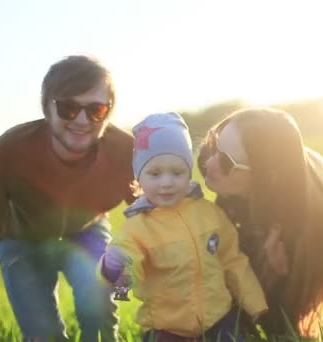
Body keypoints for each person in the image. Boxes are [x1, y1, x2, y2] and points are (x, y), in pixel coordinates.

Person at [0, 55, 134, 342]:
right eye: (68, 108)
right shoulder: (8, 151)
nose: (82, 120)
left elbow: (148, 218)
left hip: (88, 230)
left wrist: (124, 284)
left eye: (96, 110)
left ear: (109, 113)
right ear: (46, 108)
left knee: (100, 318)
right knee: (44, 336)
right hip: (21, 240)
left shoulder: (126, 151)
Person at [197, 107, 323, 338]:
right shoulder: (220, 174)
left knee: (283, 327)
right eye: (214, 145)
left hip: (307, 236)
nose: (209, 164)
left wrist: (282, 273)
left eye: (225, 161)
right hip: (260, 212)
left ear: (265, 176)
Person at [99, 112, 268, 341]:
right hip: (167, 327)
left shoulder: (210, 214)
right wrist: (115, 272)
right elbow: (126, 264)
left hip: (218, 317)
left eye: (177, 172)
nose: (166, 182)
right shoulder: (137, 229)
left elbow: (233, 260)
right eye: (155, 173)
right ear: (138, 178)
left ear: (189, 172)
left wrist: (254, 303)